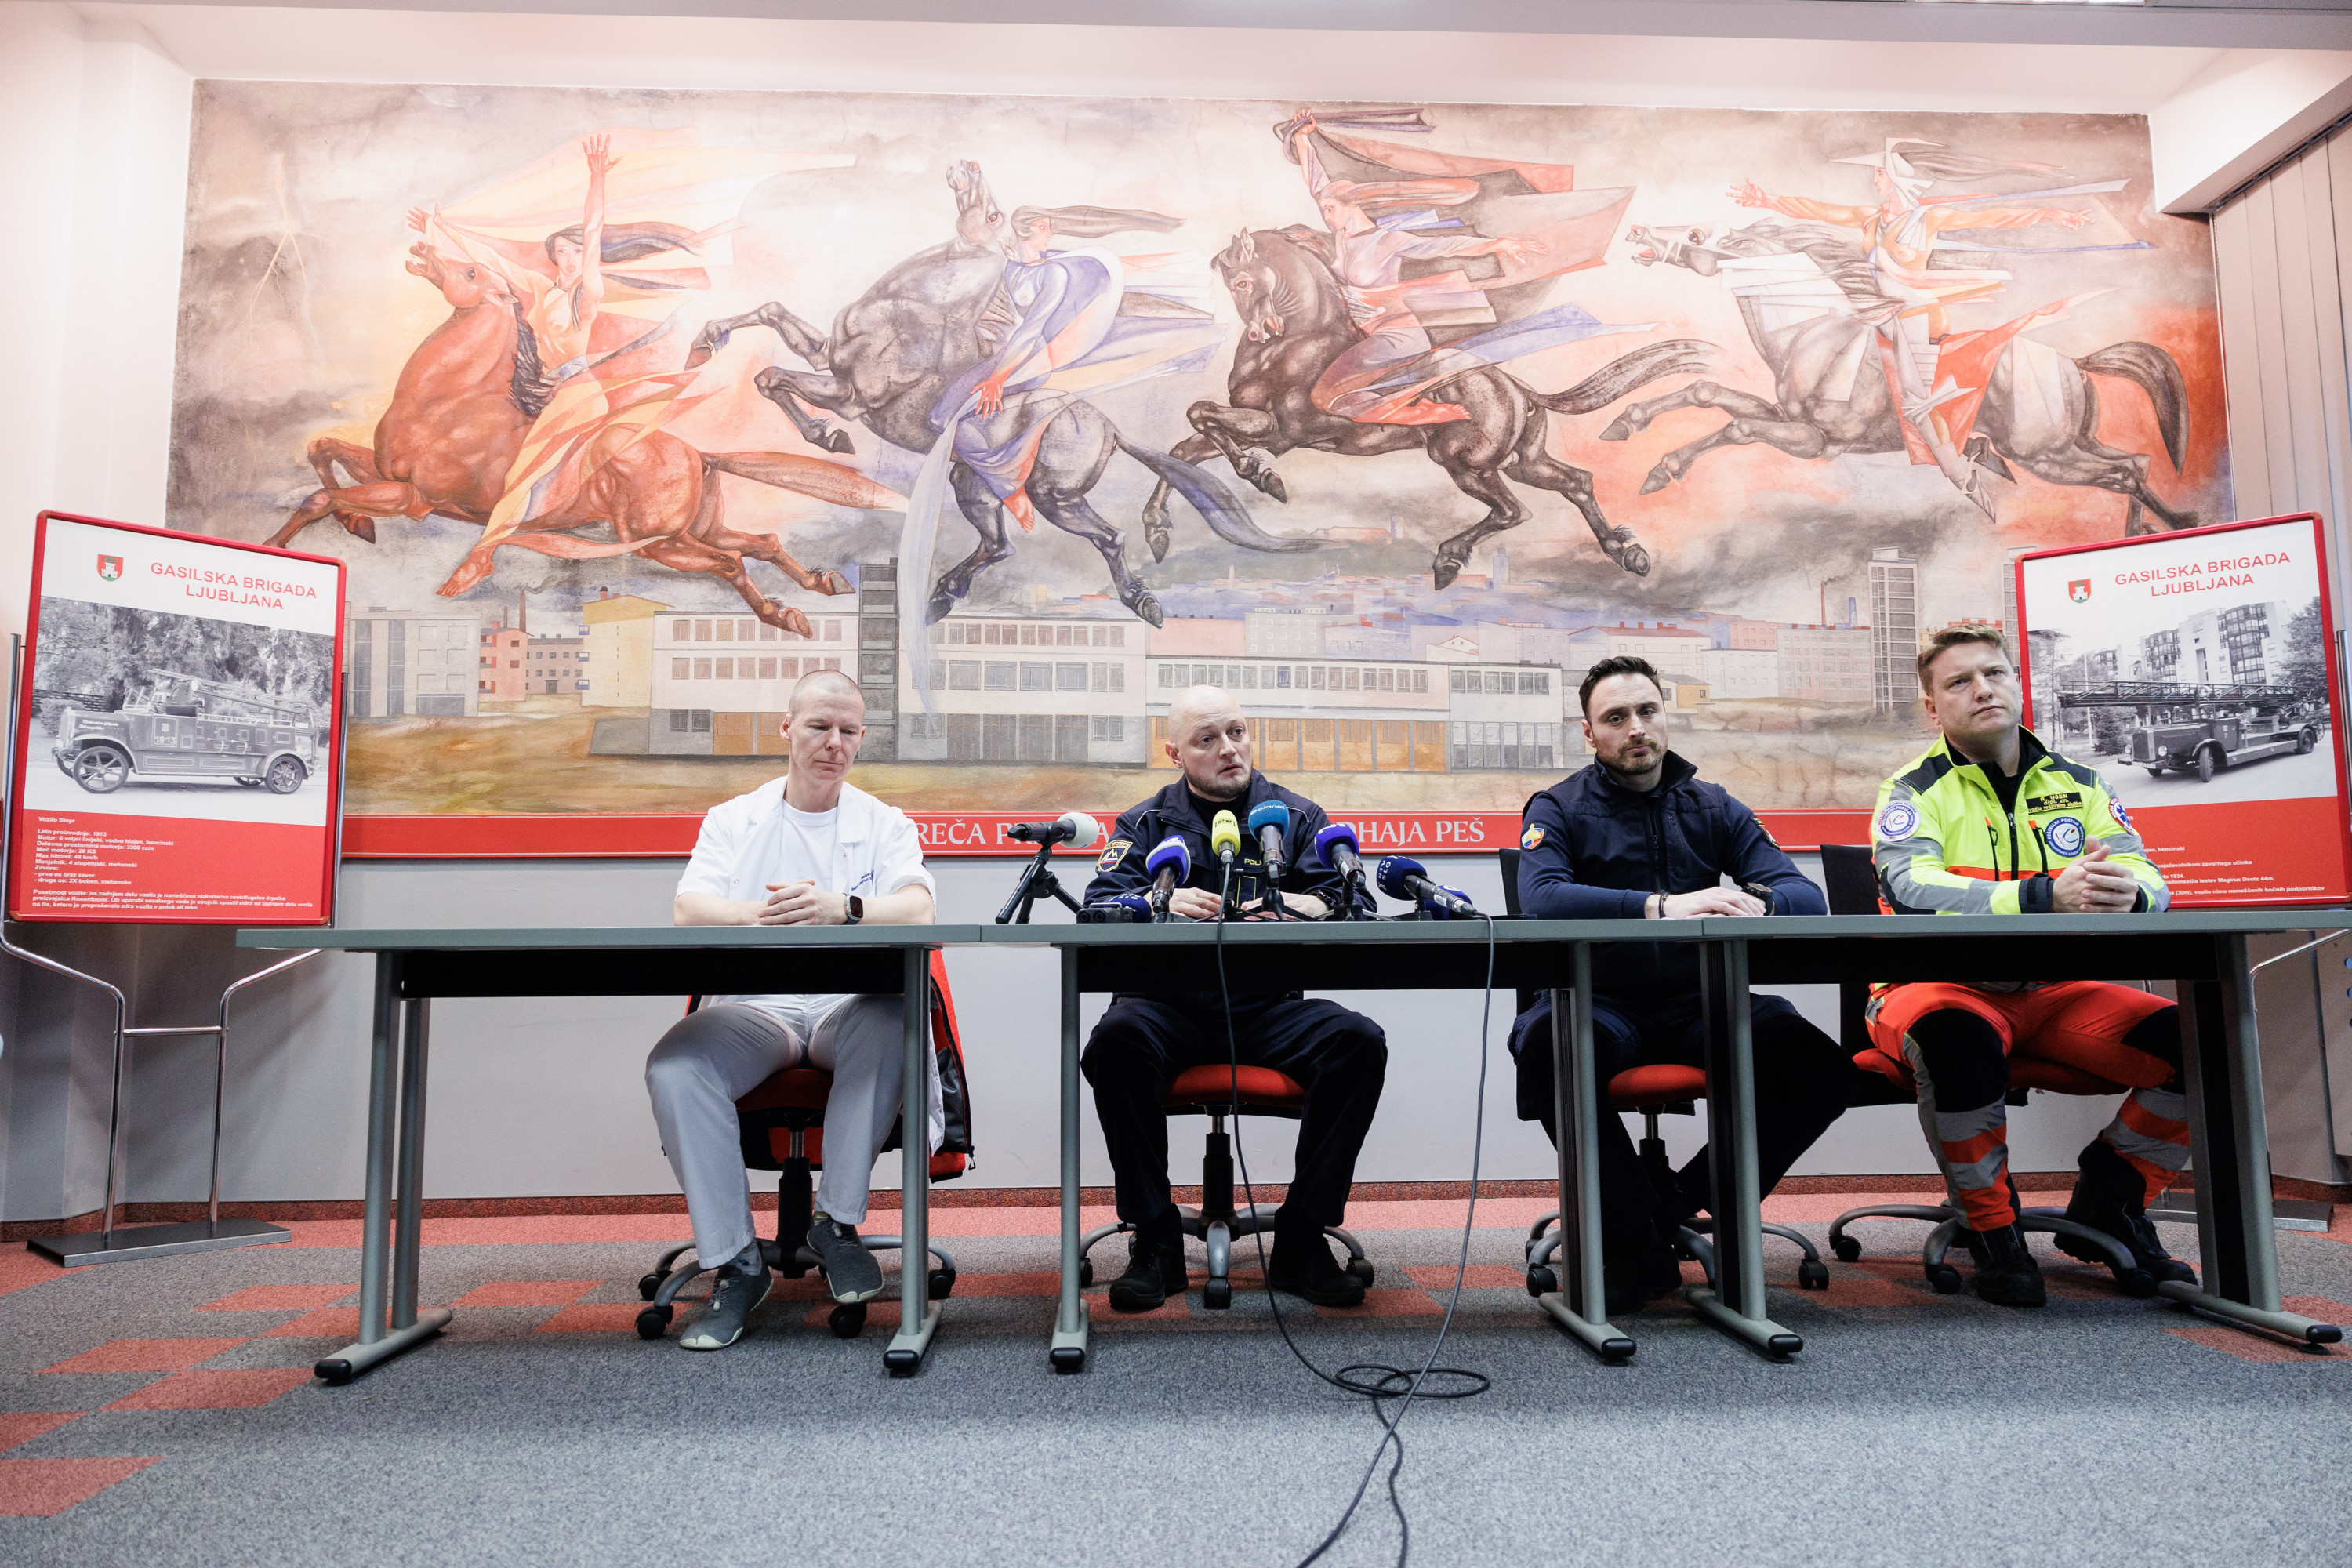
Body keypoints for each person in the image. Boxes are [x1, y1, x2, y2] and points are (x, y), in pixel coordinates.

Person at [1508, 655, 1860, 1315]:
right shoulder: (1557, 807)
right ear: (1590, 733)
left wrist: (1756, 902)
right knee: (1548, 1047)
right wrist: (1661, 906)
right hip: (1600, 1004)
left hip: (1703, 1002)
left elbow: (1801, 894)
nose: (1636, 728)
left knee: (1821, 1069)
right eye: (1616, 717)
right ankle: (1634, 1240)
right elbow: (1542, 898)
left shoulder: (1713, 804)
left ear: (1664, 715)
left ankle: (1663, 1205)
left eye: (1647, 711)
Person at [1867, 626, 2194, 1308]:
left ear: (2019, 683)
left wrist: (2132, 893)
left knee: (2196, 1042)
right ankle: (1992, 1227)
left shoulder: (2080, 782)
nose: (1983, 689)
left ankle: (2112, 1198)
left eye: (1995, 673)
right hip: (1934, 988)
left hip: (2056, 992)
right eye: (1959, 681)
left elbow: (2146, 870)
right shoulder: (1909, 792)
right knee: (1958, 1045)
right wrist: (2039, 894)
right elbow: (1910, 887)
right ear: (1933, 706)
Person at [644, 669, 938, 1350]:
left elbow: (920, 905)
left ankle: (835, 1223)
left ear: (860, 741)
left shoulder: (883, 822)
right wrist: (761, 913)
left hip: (845, 1012)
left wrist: (845, 907)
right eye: (819, 726)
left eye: (848, 732)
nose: (833, 743)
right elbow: (690, 908)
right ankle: (736, 1263)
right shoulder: (734, 819)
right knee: (675, 1065)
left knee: (894, 1018)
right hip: (759, 1011)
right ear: (787, 729)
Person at [1080, 684, 1385, 1312]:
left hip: (1267, 1011)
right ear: (1174, 752)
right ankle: (1155, 1236)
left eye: (1237, 733)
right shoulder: (1143, 824)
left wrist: (1309, 903)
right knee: (1114, 1041)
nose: (1229, 750)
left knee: (1358, 1042)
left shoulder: (1296, 818)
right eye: (1207, 739)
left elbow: (1355, 898)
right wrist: (1154, 902)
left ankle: (1303, 1234)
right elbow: (1097, 906)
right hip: (1164, 1008)